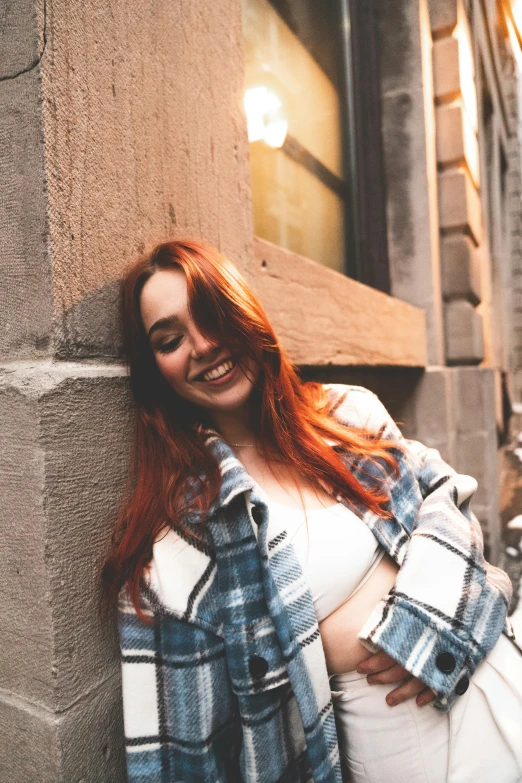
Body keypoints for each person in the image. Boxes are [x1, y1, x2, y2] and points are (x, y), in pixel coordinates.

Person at [103, 239, 522, 783]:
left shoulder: (349, 413)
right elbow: (183, 760)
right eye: (170, 339)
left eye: (213, 314)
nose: (203, 345)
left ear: (246, 313)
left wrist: (436, 619)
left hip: (498, 675)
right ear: (153, 369)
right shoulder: (187, 543)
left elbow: (448, 497)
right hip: (407, 749)